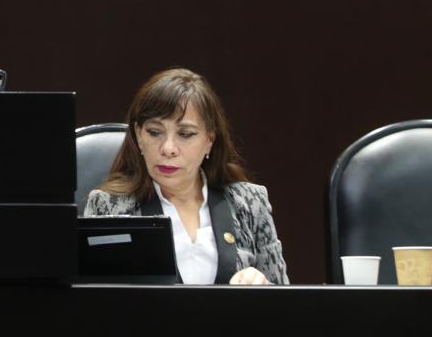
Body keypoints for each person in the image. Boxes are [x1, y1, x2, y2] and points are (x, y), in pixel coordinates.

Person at [83, 68, 288, 285]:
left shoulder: (251, 203)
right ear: (139, 136)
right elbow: (92, 306)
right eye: (154, 132)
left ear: (209, 139)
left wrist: (264, 286)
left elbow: (288, 306)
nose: (168, 148)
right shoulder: (107, 206)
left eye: (185, 134)